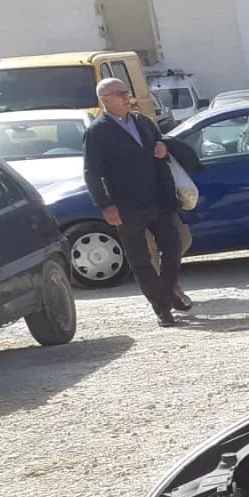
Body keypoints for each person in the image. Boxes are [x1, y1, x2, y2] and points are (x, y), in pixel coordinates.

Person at [82, 78, 193, 326]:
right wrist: (106, 205)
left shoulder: (142, 121)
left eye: (127, 92)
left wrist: (163, 149)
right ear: (105, 100)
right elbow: (92, 172)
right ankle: (162, 309)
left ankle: (167, 291)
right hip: (127, 206)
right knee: (140, 261)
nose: (127, 97)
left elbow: (159, 143)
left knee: (174, 248)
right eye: (120, 94)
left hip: (159, 200)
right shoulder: (97, 132)